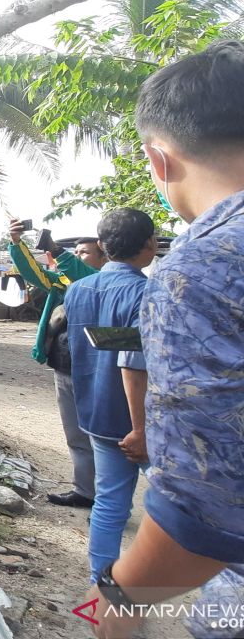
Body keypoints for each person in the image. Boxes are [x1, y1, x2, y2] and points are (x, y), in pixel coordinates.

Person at [83, 40, 244, 639]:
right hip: (119, 416)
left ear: (159, 159)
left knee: (107, 498)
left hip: (101, 413)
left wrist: (119, 604)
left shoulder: (199, 267)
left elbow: (207, 503)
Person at [64, 208, 156, 582]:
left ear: (102, 246)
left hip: (97, 413)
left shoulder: (77, 290)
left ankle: (102, 586)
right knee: (181, 508)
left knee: (109, 502)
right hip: (142, 422)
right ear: (150, 244)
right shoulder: (148, 293)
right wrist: (141, 429)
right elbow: (133, 364)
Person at [6, 220, 105, 509]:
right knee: (75, 434)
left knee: (102, 436)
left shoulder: (103, 283)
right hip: (64, 366)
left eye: (84, 252)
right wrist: (16, 243)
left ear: (104, 257)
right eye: (75, 251)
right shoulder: (63, 282)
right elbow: (32, 272)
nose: (76, 256)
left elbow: (81, 272)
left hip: (98, 369)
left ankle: (108, 502)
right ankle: (86, 491)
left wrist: (57, 251)